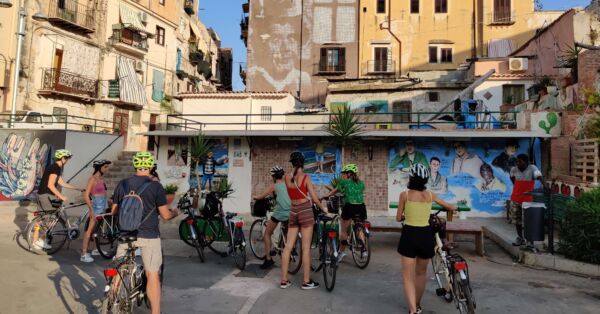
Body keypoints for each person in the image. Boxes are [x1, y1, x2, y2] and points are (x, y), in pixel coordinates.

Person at [111, 151, 180, 314]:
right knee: (152, 275)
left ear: (135, 165)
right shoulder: (156, 186)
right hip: (148, 235)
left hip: (125, 234)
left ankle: (111, 301)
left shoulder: (123, 184)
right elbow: (165, 215)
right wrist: (175, 212)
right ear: (151, 167)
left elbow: (114, 211)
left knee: (119, 272)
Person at [396, 164, 457, 314]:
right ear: (425, 179)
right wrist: (454, 207)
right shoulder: (430, 195)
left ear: (411, 177)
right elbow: (449, 206)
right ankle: (417, 305)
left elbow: (398, 218)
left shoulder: (405, 195)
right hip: (426, 236)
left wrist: (407, 215)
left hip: (409, 235)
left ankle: (412, 310)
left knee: (408, 276)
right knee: (421, 273)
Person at [280, 151, 326, 290]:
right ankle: (306, 281)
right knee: (306, 248)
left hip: (293, 211)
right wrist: (323, 208)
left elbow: (290, 194)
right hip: (305, 211)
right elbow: (314, 197)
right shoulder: (305, 177)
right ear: (303, 163)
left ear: (292, 163)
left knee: (288, 246)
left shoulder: (287, 178)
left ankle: (284, 280)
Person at [34, 149, 84, 250]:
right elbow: (51, 185)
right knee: (50, 219)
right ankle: (41, 240)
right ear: (62, 158)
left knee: (40, 219)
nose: (68, 161)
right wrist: (61, 196)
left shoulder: (53, 167)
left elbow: (61, 183)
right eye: (67, 158)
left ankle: (35, 242)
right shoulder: (56, 168)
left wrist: (77, 188)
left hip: (41, 195)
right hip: (46, 195)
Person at [323, 163, 366, 262]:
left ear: (349, 174)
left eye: (344, 173)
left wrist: (326, 196)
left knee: (343, 230)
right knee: (358, 226)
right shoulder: (361, 183)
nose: (343, 175)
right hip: (361, 207)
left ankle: (341, 252)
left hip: (350, 206)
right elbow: (359, 190)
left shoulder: (344, 182)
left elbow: (335, 191)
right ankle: (364, 249)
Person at [253, 166, 291, 269]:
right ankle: (290, 252)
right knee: (288, 235)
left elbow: (262, 196)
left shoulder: (275, 186)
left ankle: (268, 259)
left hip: (280, 213)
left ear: (273, 177)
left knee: (267, 233)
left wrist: (255, 197)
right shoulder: (288, 185)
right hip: (291, 213)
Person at [81, 160, 111, 263]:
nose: (107, 169)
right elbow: (86, 195)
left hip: (103, 205)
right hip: (96, 206)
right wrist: (91, 209)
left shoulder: (101, 179)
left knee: (96, 230)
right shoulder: (93, 179)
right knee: (89, 230)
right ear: (99, 167)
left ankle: (95, 249)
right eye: (105, 167)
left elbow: (103, 193)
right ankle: (84, 254)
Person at [509, 154, 543, 247]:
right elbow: (512, 179)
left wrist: (545, 186)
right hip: (515, 199)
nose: (518, 163)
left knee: (528, 221)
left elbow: (539, 177)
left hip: (527, 200)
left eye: (520, 161)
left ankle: (530, 240)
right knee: (517, 221)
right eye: (517, 161)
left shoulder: (532, 168)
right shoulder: (513, 169)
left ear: (526, 162)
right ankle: (520, 238)